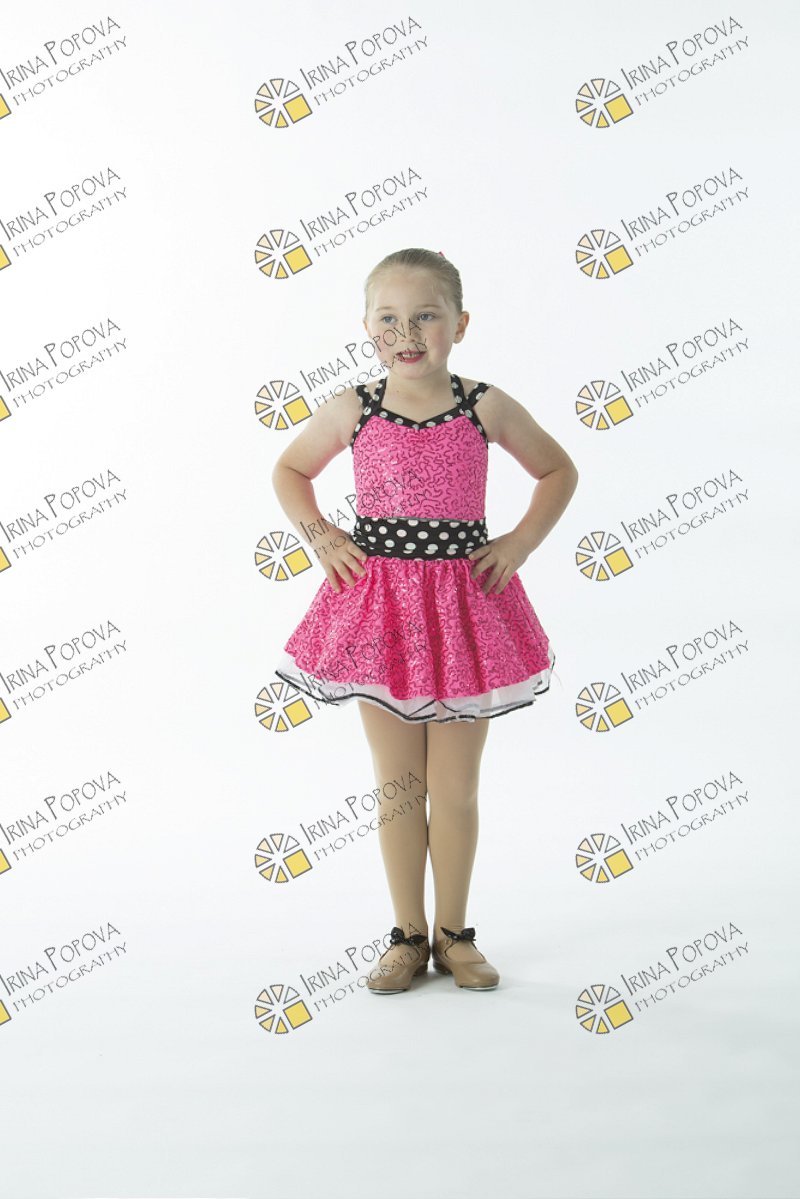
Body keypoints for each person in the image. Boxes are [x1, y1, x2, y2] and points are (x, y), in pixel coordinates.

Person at [271, 248, 579, 994]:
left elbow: (557, 469)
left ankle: (455, 933)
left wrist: (518, 543)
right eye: (389, 318)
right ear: (366, 327)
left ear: (460, 324)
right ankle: (406, 934)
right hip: (381, 612)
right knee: (399, 787)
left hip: (466, 608)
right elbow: (289, 470)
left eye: (427, 316)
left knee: (456, 786)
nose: (406, 334)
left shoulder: (484, 405)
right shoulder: (354, 406)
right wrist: (322, 538)